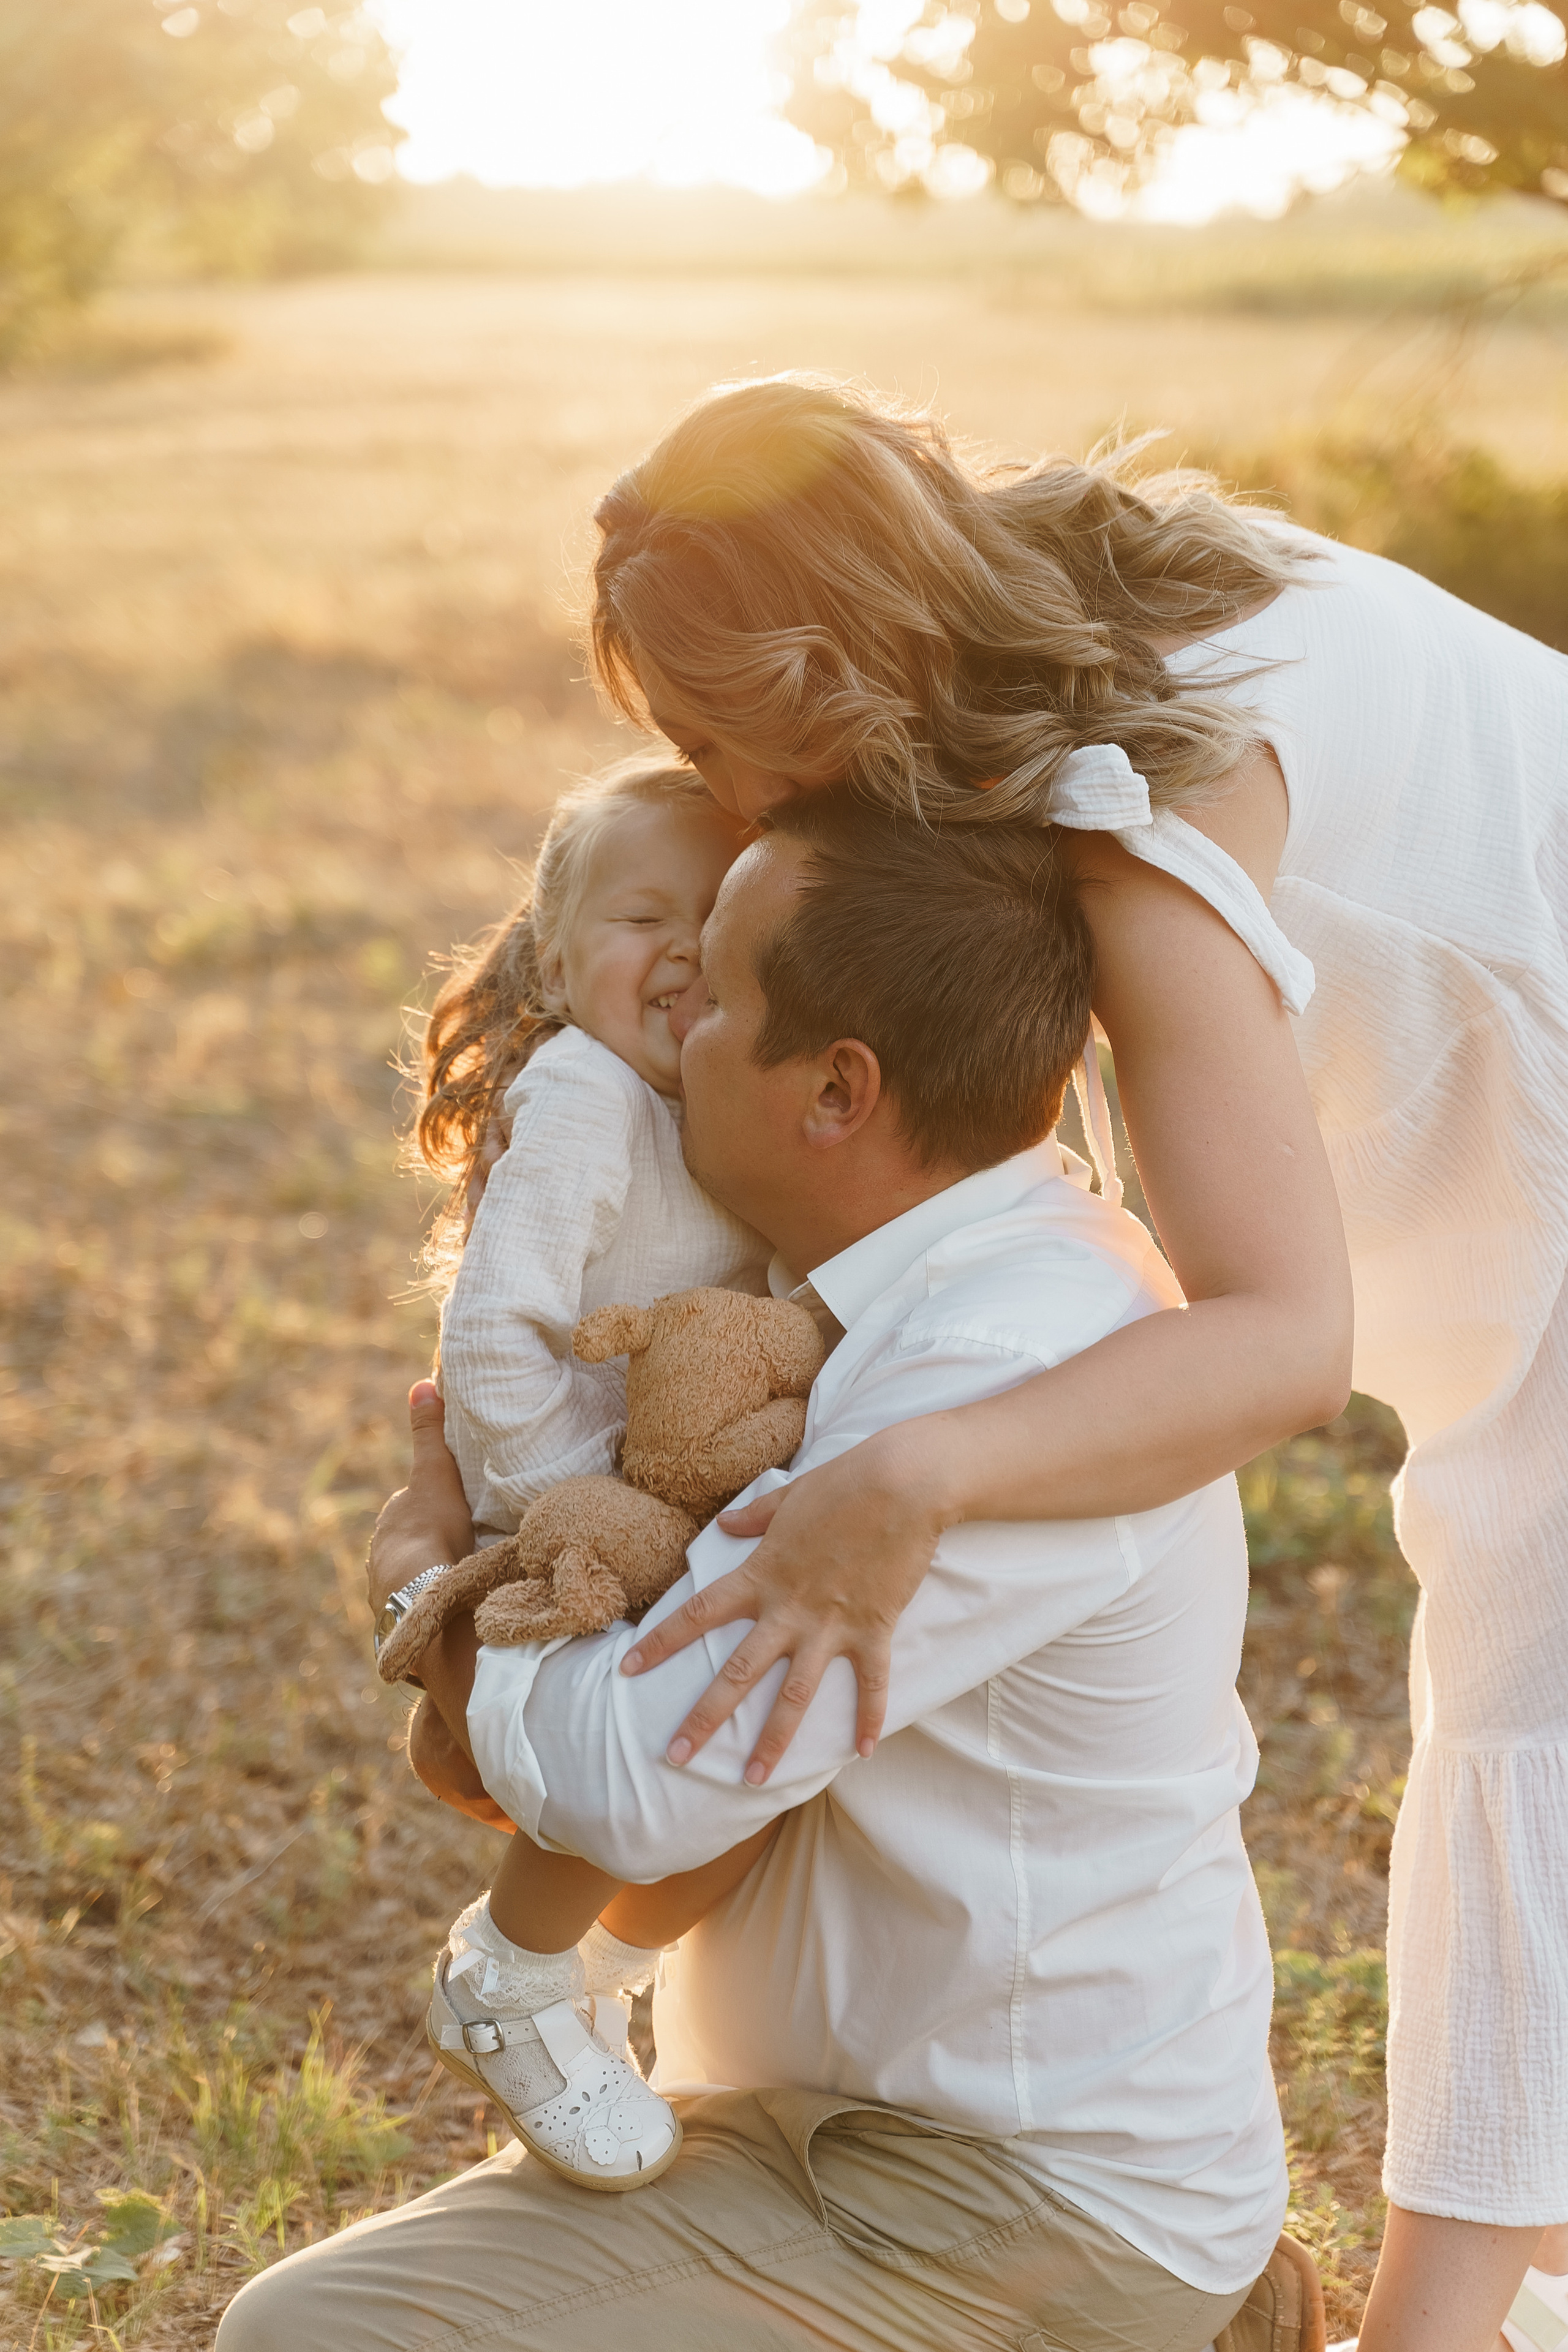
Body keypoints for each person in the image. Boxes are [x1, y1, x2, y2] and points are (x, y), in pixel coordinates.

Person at [574, 374, 1568, 2352]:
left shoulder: (1147, 822)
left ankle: (1426, 2327)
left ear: (820, 677)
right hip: (1506, 1132)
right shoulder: (1097, 578)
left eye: (709, 743)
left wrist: (918, 1470)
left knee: (1528, 1696)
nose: (724, 803)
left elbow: (1277, 1341)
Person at [216, 795, 1290, 2352]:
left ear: (837, 1091)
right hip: (817, 2131)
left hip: (1014, 2203)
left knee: (319, 2342)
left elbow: (634, 1783)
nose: (679, 1024)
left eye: (713, 995)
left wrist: (426, 1593)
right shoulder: (863, 1287)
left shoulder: (997, 1362)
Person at [398, 755, 787, 2188]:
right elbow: (494, 1334)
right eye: (641, 920)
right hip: (567, 1507)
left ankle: (592, 1976)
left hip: (673, 1500)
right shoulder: (582, 1091)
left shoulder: (713, 1100)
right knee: (675, 1738)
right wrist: (582, 1502)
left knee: (760, 1779)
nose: (682, 950)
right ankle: (508, 1973)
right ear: (557, 967)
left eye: (716, 920)